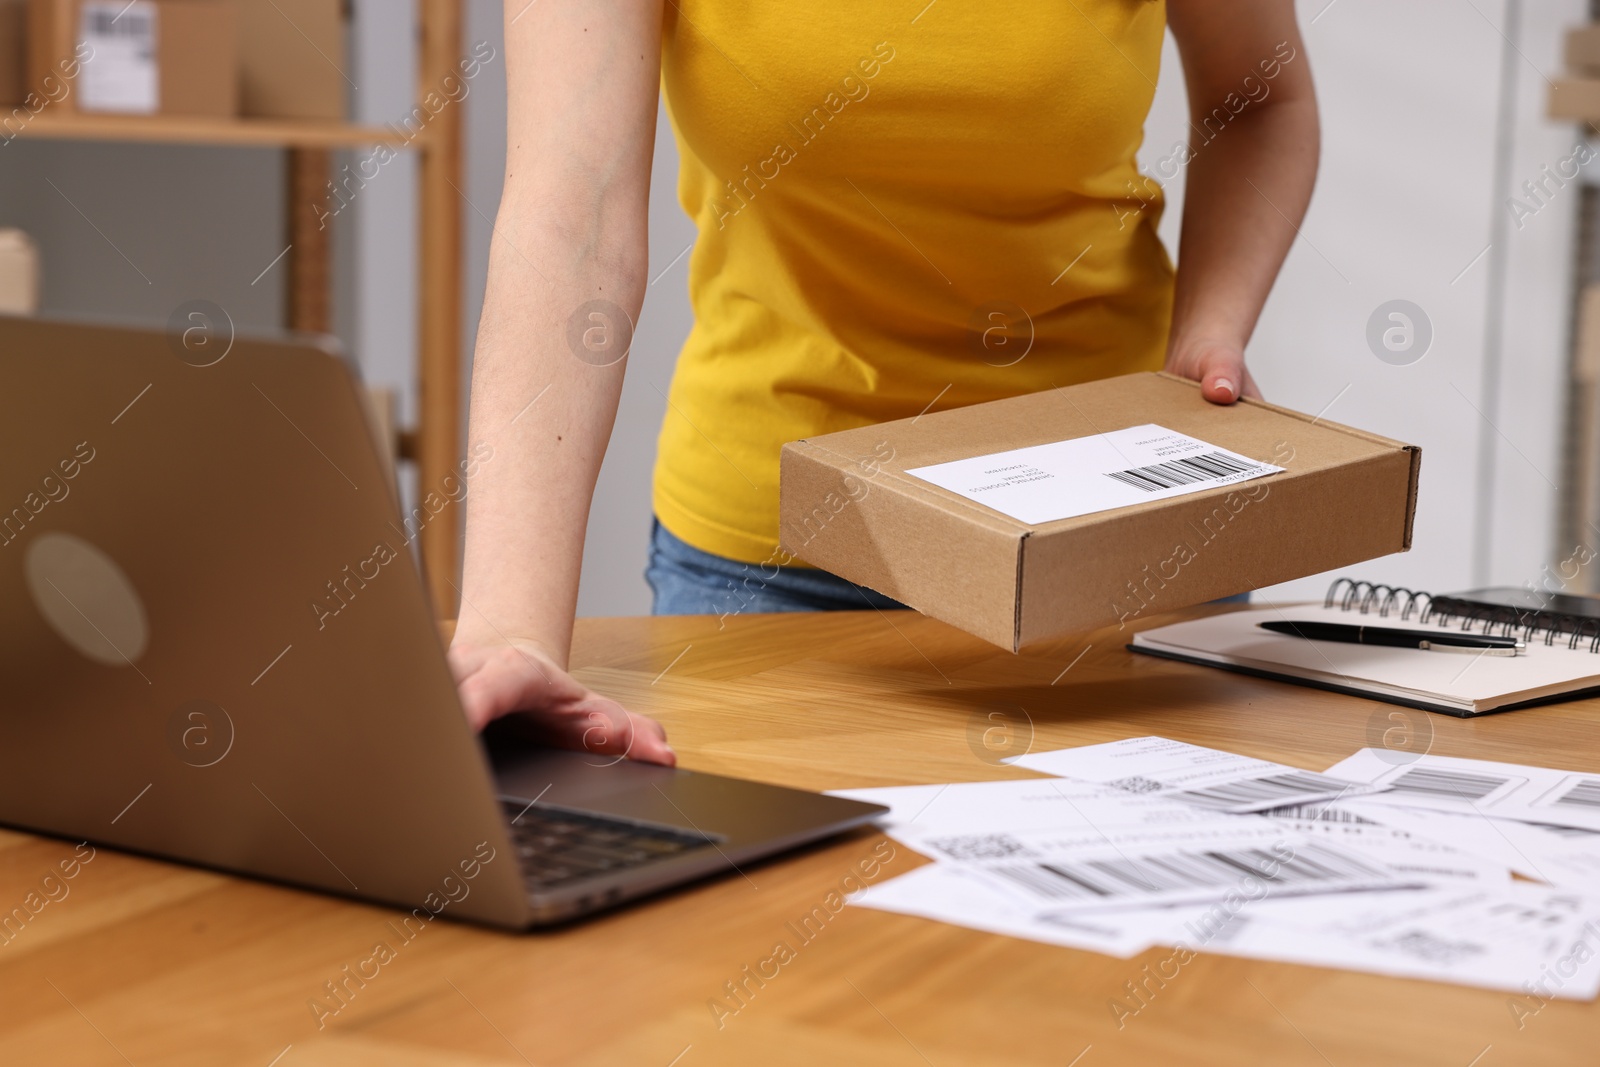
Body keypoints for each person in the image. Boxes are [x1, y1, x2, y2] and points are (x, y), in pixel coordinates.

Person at [447, 1, 1319, 766]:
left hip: (1109, 534)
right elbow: (574, 217)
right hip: (778, 557)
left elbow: (1261, 98)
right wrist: (512, 630)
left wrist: (1211, 328)